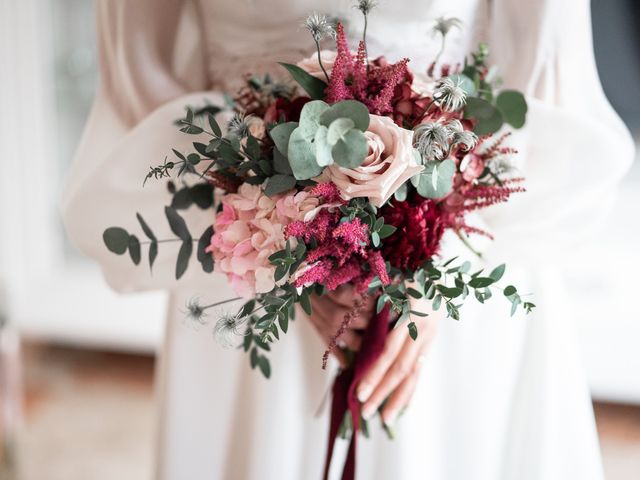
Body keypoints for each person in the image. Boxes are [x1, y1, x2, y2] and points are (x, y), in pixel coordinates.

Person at [62, 0, 633, 479]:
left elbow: (540, 72)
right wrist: (284, 244)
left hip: (453, 268)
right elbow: (142, 79)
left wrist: (437, 250)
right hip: (248, 257)